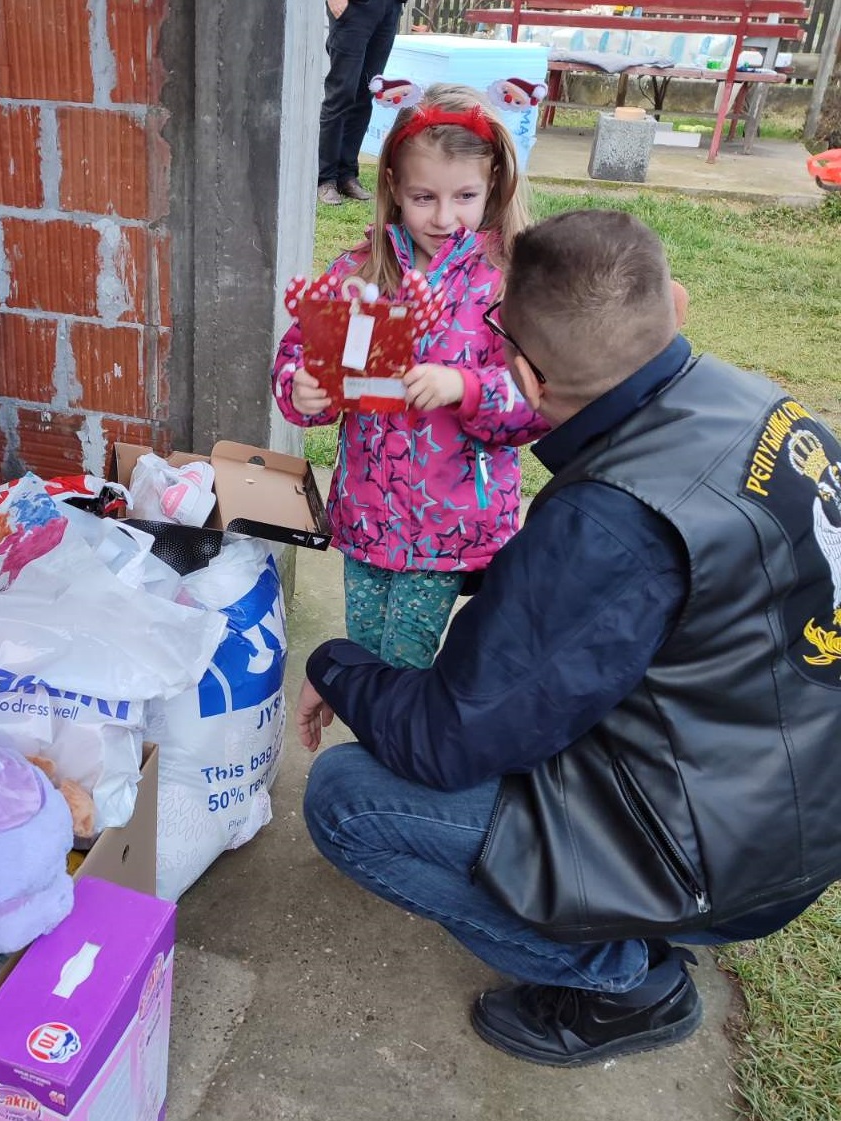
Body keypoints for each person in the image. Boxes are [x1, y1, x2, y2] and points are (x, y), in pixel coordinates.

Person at [294, 208, 841, 1066]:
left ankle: (623, 980)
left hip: (721, 849)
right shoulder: (761, 401)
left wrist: (334, 663)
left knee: (347, 797)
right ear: (679, 306)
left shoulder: (609, 522)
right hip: (784, 795)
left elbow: (447, 741)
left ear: (522, 372)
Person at [274, 83, 548, 670]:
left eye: (465, 196)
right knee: (364, 654)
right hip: (367, 514)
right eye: (424, 197)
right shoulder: (359, 271)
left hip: (450, 524)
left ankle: (389, 757)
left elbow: (540, 399)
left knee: (405, 662)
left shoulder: (510, 280)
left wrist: (464, 388)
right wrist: (305, 390)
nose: (445, 217)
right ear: (394, 186)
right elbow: (303, 355)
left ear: (495, 182)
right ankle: (370, 752)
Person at [317, 0, 406, 206]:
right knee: (342, 92)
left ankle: (347, 175)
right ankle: (325, 178)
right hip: (355, 8)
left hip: (389, 8)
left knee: (366, 92)